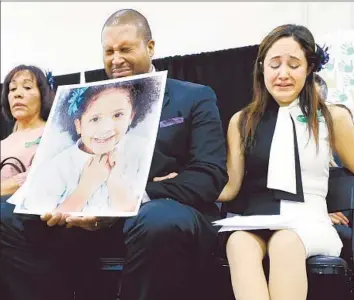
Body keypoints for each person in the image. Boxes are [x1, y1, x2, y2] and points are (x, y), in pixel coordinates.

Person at [0, 9, 227, 300]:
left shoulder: (194, 96)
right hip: (82, 214)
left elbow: (209, 176)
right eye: (109, 51)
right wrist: (58, 200)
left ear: (150, 47)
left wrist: (134, 196)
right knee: (6, 215)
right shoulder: (83, 102)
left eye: (125, 49)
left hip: (159, 209)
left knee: (157, 219)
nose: (116, 59)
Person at [216, 24, 354, 300]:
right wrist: (184, 182)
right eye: (274, 65)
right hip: (256, 219)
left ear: (309, 68)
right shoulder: (242, 121)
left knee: (286, 241)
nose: (282, 74)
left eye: (293, 64)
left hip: (308, 221)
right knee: (237, 242)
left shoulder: (332, 118)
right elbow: (230, 185)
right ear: (261, 68)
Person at [20, 81, 156, 214]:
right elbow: (43, 216)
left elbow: (134, 212)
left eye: (118, 115)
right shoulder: (59, 165)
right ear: (78, 125)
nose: (106, 128)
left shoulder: (139, 152)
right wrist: (86, 187)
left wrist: (114, 179)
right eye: (95, 119)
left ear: (131, 116)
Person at [0, 65, 54, 198]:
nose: (17, 94)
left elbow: (36, 178)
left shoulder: (53, 134)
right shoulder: (3, 143)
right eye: (12, 89)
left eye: (27, 87)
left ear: (43, 95)